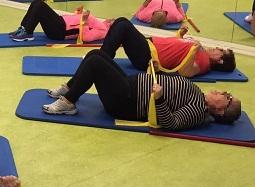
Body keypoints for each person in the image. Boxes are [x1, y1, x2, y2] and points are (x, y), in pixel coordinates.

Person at [43, 49, 241, 131]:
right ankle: (70, 89)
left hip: (127, 102)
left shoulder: (199, 111)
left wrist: (160, 98)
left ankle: (68, 103)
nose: (223, 93)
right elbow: (174, 82)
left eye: (227, 97)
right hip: (130, 86)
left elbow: (170, 123)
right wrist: (159, 70)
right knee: (96, 53)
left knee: (95, 63)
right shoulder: (198, 94)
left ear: (222, 111)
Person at [100, 17, 236, 78]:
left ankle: (102, 60)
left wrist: (194, 51)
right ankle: (102, 58)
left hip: (148, 57)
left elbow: (186, 72)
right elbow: (179, 51)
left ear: (220, 60)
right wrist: (180, 35)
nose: (218, 48)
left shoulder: (204, 63)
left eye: (222, 51)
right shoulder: (203, 53)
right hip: (148, 46)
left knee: (122, 24)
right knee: (121, 24)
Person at [8, 0, 112, 42]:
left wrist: (84, 21)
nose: (113, 19)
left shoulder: (103, 31)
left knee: (40, 5)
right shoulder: (102, 24)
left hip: (60, 31)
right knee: (36, 3)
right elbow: (75, 22)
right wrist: (78, 13)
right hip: (61, 23)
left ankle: (27, 33)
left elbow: (86, 37)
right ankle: (24, 28)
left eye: (115, 21)